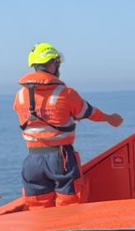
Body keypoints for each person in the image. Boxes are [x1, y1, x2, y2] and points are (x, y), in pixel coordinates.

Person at [14, 43, 123, 208]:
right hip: (61, 159)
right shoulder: (66, 94)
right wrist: (109, 118)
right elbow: (88, 112)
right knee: (70, 208)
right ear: (52, 64)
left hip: (32, 160)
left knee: (38, 211)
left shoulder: (20, 96)